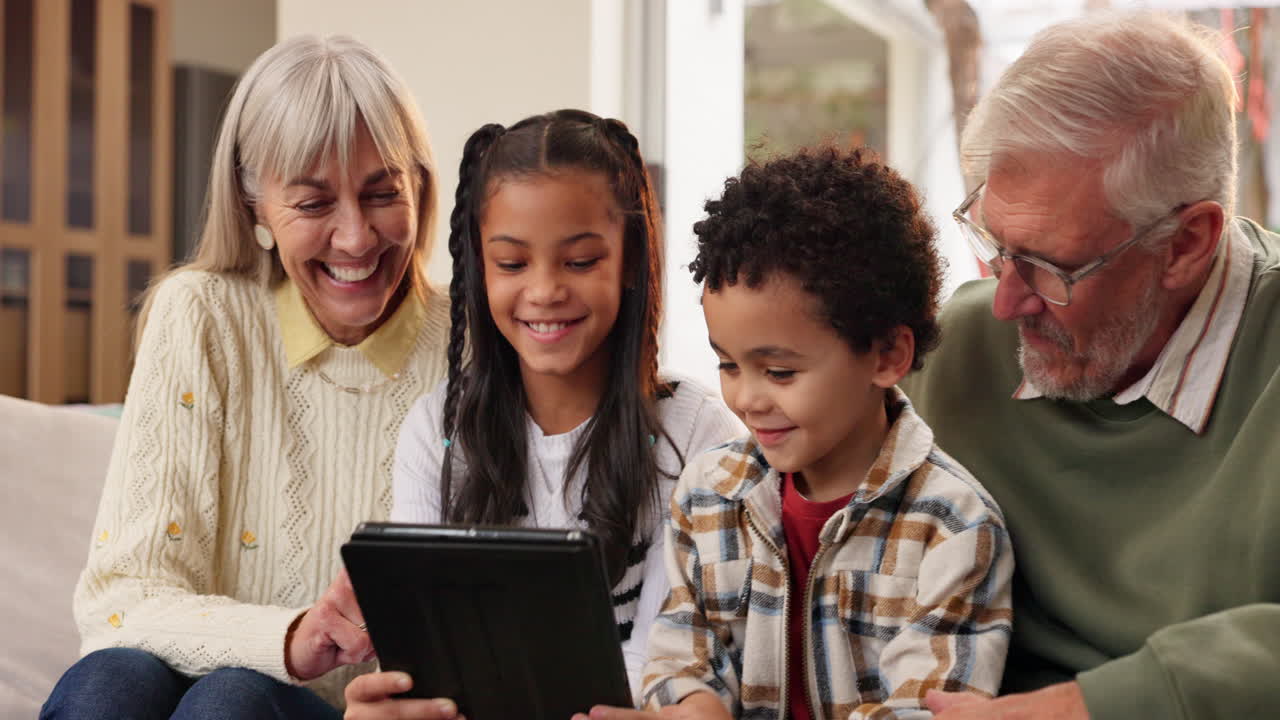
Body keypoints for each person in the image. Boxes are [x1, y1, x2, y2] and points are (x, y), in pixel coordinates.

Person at [41, 35, 449, 719]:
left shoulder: (472, 347)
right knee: (109, 683)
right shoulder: (200, 315)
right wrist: (287, 638)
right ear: (255, 203)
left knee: (230, 699)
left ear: (420, 189)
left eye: (382, 194)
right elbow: (118, 603)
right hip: (176, 690)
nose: (355, 238)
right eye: (314, 205)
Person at [899, 12, 1280, 720]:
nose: (1006, 301)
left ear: (1188, 242)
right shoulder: (956, 351)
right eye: (994, 243)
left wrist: (1084, 708)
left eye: (1047, 265)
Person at [584, 146, 1014, 720]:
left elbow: (926, 710)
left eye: (780, 372)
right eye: (729, 365)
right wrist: (693, 707)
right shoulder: (708, 492)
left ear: (887, 354)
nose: (747, 399)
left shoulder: (954, 529)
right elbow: (683, 650)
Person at [341, 110, 743, 719]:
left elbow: (668, 659)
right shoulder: (437, 431)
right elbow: (421, 651)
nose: (545, 290)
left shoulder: (696, 435)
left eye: (580, 262)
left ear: (631, 260)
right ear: (479, 265)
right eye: (511, 264)